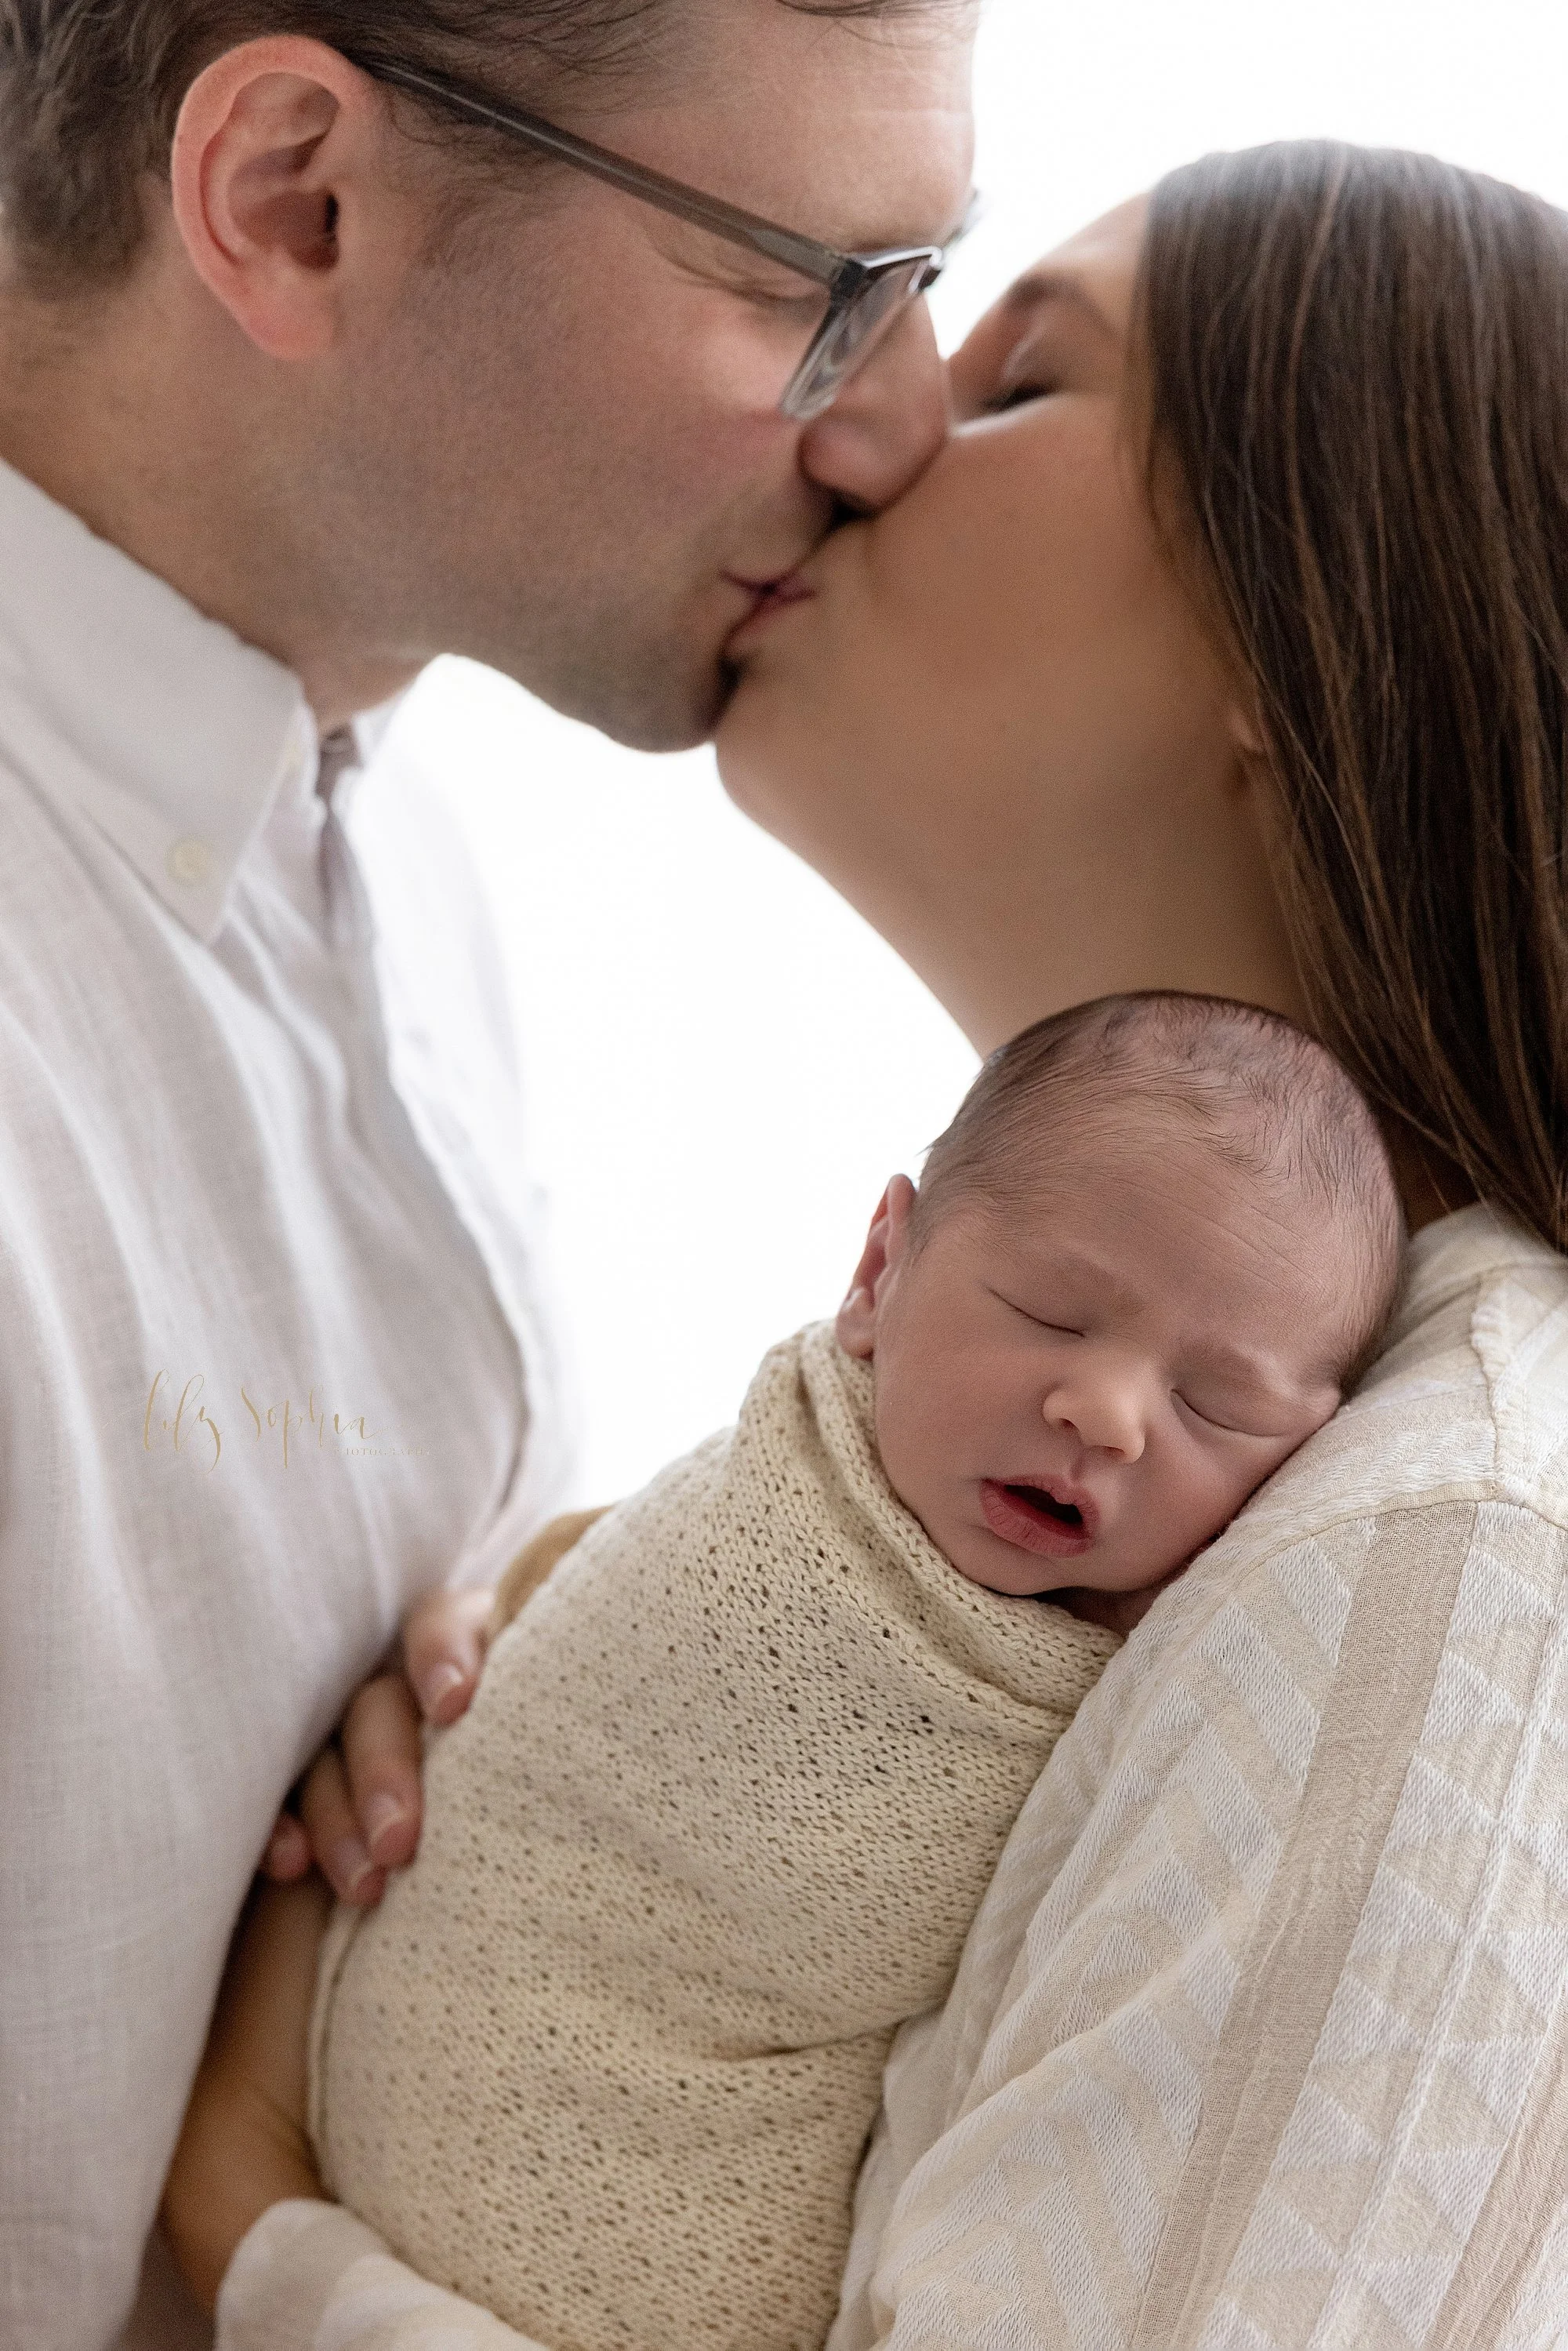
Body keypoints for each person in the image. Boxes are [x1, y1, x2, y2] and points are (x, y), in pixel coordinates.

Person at [172, 141, 1568, 2346]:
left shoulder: (1461, 1548)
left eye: (1028, 383)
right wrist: (521, 1714)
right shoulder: (1269, 1505)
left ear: (1328, 620)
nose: (874, 419)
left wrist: (259, 2215)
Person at [0, 0, 978, 2339]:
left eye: (942, 272)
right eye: (812, 283)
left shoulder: (396, 865)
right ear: (291, 204)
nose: (913, 417)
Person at [302, 994, 1401, 2351]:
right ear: (880, 1269)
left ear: (1310, 1460)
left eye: (1211, 1406)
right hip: (463, 2088)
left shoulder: (1254, 1649)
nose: (1106, 1413)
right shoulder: (779, 1506)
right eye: (1050, 1313)